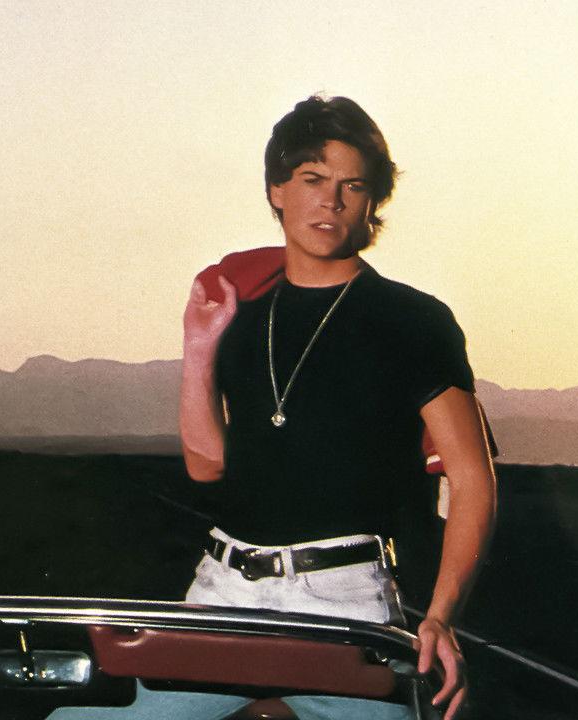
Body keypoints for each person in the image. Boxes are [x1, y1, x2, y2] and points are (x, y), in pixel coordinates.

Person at [179, 96, 497, 720]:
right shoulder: (242, 314)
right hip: (221, 592)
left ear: (372, 201)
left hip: (343, 602)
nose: (331, 201)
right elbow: (207, 464)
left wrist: (440, 617)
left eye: (352, 185)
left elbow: (472, 479)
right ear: (277, 190)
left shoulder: (414, 320)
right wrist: (198, 348)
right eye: (312, 179)